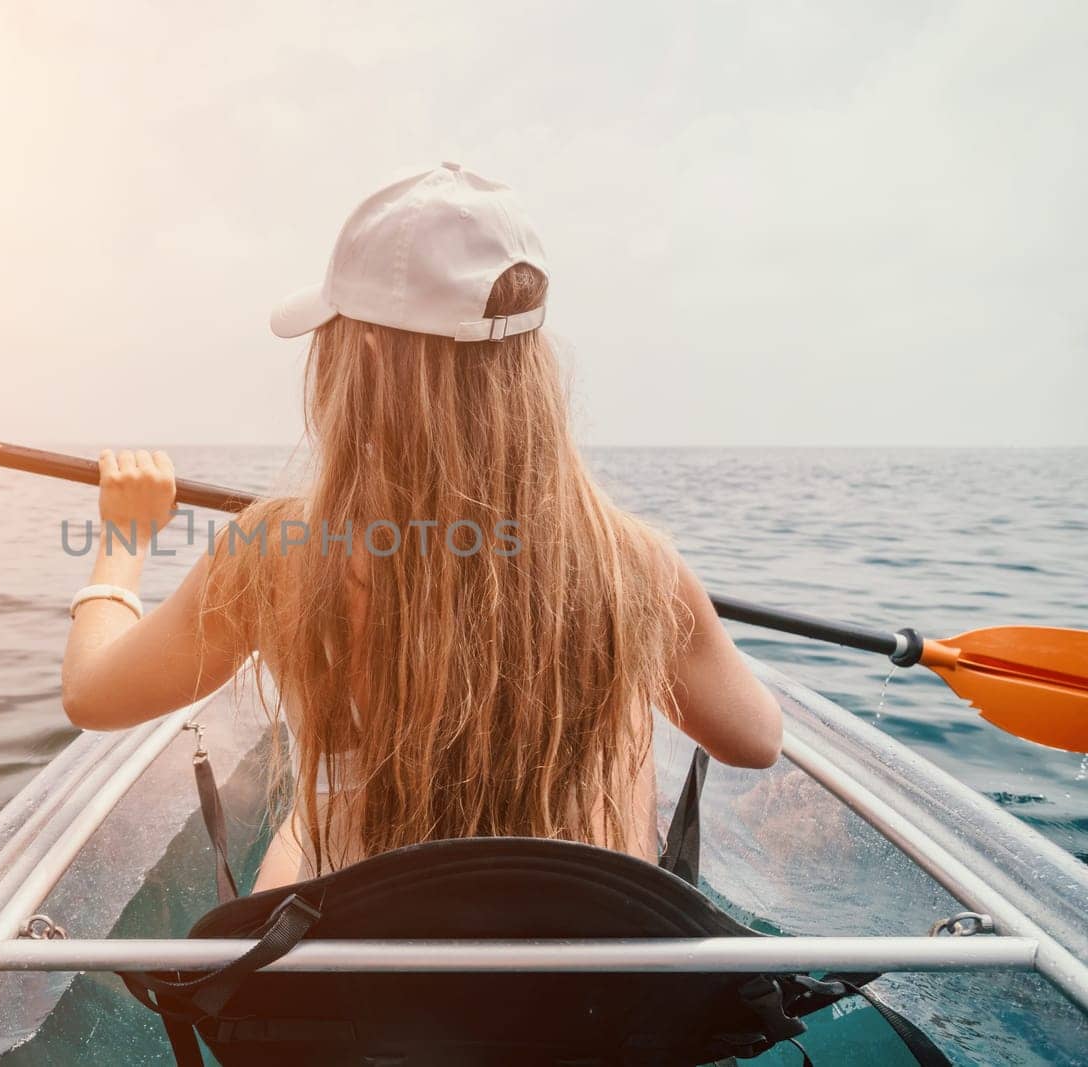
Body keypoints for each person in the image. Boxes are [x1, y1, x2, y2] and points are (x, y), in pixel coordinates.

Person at [61, 162, 781, 893]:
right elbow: (756, 738)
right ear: (526, 359)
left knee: (308, 827)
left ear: (363, 351)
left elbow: (91, 693)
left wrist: (125, 538)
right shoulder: (634, 564)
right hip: (581, 980)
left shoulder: (274, 554)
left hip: (364, 974)